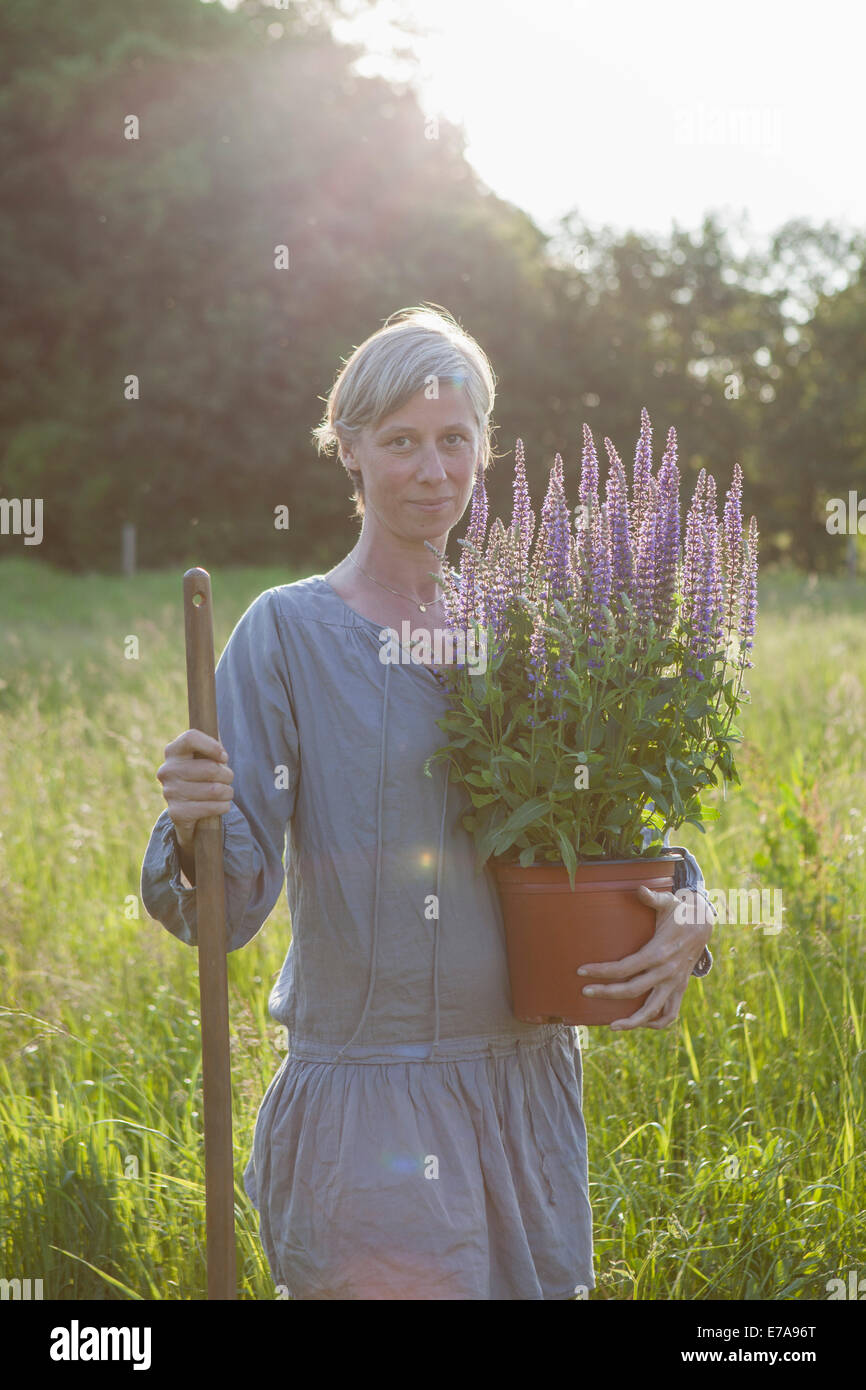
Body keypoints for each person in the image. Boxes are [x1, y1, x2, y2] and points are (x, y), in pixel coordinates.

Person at [140, 304, 716, 1300]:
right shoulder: (285, 636)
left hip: (524, 1096)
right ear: (348, 451)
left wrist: (689, 903)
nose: (430, 469)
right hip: (370, 1110)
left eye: (454, 440)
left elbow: (611, 835)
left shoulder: (542, 633)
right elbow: (221, 911)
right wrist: (195, 821)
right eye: (400, 441)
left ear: (484, 452)